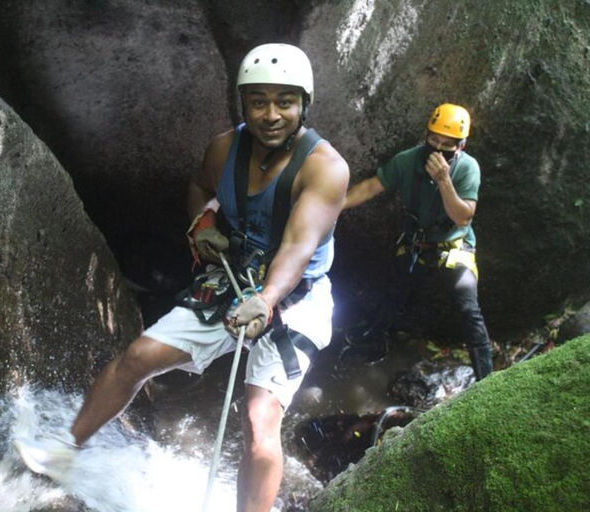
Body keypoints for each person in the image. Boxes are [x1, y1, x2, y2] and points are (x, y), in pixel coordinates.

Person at [68, 43, 349, 511]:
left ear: (305, 105)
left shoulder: (325, 168)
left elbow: (299, 245)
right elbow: (200, 186)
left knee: (259, 422)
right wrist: (203, 223)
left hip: (295, 298)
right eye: (259, 101)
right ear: (243, 104)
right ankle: (63, 452)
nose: (272, 114)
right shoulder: (224, 149)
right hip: (234, 280)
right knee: (138, 357)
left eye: (285, 101)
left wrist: (268, 299)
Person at [342, 104, 493, 380]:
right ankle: (373, 341)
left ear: (461, 145)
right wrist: (337, 204)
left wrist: (444, 180)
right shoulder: (408, 160)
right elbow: (372, 186)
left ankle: (488, 377)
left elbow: (463, 216)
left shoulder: (468, 168)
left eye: (447, 144)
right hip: (416, 243)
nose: (437, 148)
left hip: (454, 246)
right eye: (433, 140)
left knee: (467, 307)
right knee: (393, 292)